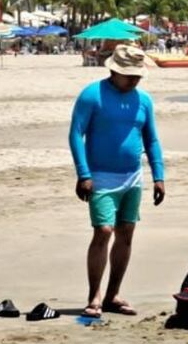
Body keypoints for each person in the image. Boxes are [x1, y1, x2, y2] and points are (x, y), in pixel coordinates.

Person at [69, 44, 166, 318]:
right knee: (103, 231)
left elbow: (152, 139)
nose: (134, 80)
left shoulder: (143, 100)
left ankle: (113, 295)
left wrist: (159, 176)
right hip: (100, 176)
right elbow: (76, 134)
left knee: (126, 233)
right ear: (114, 70)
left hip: (133, 177)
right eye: (129, 75)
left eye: (137, 76)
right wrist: (83, 173)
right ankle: (94, 296)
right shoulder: (93, 95)